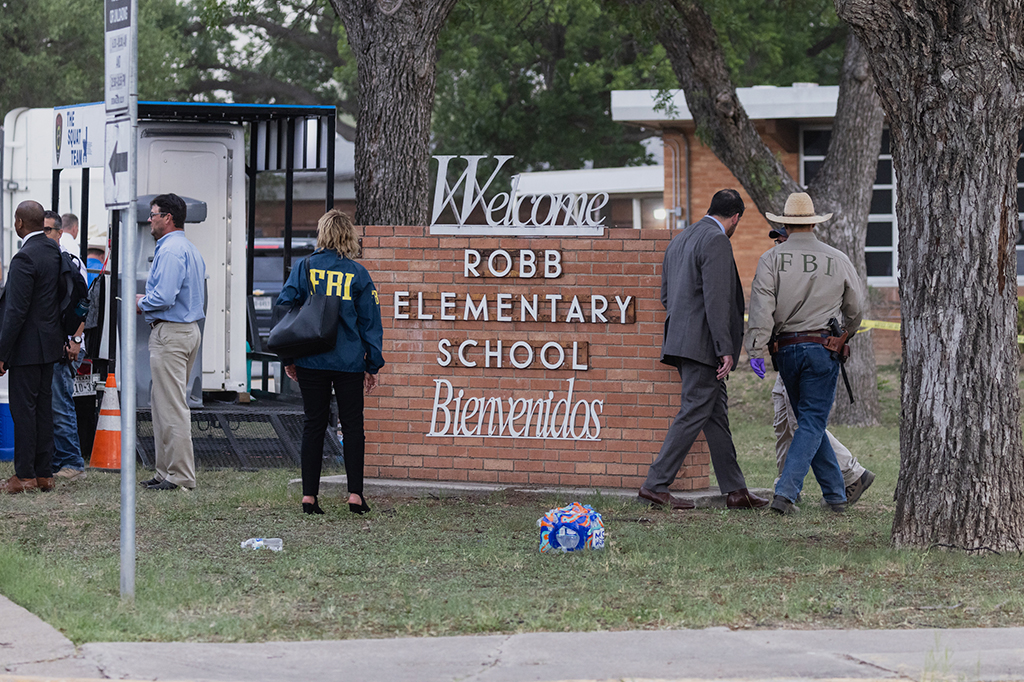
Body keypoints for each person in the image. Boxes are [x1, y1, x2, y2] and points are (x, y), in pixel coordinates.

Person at [639, 189, 768, 511]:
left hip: (682, 341)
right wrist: (725, 348)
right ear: (736, 217)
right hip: (704, 345)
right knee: (694, 410)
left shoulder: (681, 240)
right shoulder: (716, 240)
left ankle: (736, 490)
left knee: (716, 415)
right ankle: (655, 484)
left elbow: (667, 297)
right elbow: (717, 298)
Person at [747, 192, 864, 515]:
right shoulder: (837, 258)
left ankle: (835, 496)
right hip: (822, 348)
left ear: (784, 223)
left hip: (785, 349)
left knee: (807, 421)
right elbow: (856, 311)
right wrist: (845, 335)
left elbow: (761, 310)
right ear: (813, 222)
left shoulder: (771, 259)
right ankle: (785, 494)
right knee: (812, 421)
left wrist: (755, 349)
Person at [278, 209, 384, 516]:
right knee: (352, 427)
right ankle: (355, 495)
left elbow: (284, 308)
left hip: (311, 358)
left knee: (313, 425)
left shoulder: (305, 267)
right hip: (349, 361)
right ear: (348, 235)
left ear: (322, 234)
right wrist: (372, 364)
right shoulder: (358, 273)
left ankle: (309, 496)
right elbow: (370, 322)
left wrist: (290, 356)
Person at [763, 225, 875, 504]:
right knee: (798, 420)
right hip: (795, 349)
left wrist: (845, 333)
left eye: (782, 238)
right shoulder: (787, 261)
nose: (779, 244)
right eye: (777, 240)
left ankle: (789, 490)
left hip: (806, 348)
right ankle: (836, 491)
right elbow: (855, 308)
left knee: (807, 422)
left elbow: (854, 308)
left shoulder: (817, 261)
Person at [135, 194, 206, 491]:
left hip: (171, 333)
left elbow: (164, 297)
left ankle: (179, 476)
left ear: (168, 217)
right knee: (163, 404)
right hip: (187, 330)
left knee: (172, 407)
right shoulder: (189, 248)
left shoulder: (170, 251)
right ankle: (165, 471)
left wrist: (141, 303)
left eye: (153, 214)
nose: (150, 220)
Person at [0, 201, 64, 493]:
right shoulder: (54, 251)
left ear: (20, 223)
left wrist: (3, 353)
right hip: (49, 345)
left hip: (26, 347)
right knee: (42, 409)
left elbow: (15, 311)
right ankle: (44, 473)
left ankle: (24, 475)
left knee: (23, 410)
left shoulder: (24, 257)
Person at [43, 211, 89, 481]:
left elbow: (82, 304)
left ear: (61, 231)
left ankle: (72, 461)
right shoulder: (57, 256)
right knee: (54, 403)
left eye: (50, 229)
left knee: (60, 403)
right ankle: (62, 460)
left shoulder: (68, 257)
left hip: (66, 342)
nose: (46, 234)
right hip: (59, 340)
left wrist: (75, 339)